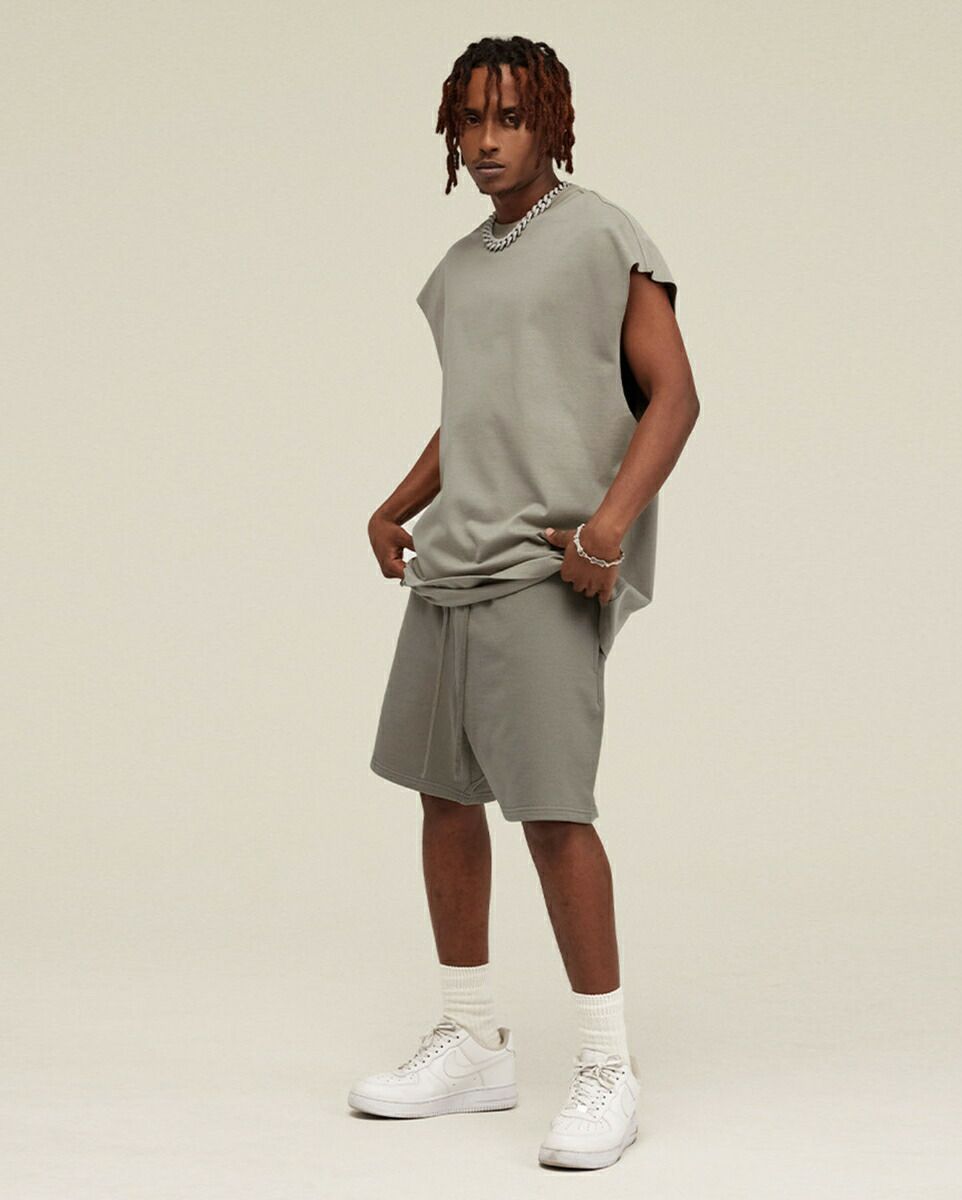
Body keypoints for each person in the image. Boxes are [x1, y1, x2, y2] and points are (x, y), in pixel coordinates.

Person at [351, 35, 699, 1170]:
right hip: (450, 566)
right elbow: (477, 411)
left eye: (510, 116)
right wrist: (395, 504)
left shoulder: (602, 236)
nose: (488, 140)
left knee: (551, 813)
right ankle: (469, 1041)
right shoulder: (459, 267)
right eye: (471, 119)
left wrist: (606, 531)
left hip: (542, 569)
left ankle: (606, 1064)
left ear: (552, 120)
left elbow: (675, 396)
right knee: (443, 798)